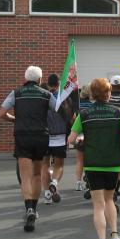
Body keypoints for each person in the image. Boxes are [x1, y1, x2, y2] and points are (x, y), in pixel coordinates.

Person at [67, 78, 120, 239]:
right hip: (113, 162)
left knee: (98, 205)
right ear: (108, 93)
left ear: (92, 94)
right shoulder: (119, 112)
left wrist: (80, 140)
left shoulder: (84, 114)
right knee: (110, 199)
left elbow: (71, 139)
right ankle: (115, 234)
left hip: (93, 163)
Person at [0, 66, 58, 232]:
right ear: (40, 80)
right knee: (37, 175)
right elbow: (57, 109)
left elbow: (1, 113)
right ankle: (34, 207)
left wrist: (14, 119)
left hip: (22, 136)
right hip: (41, 136)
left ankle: (29, 208)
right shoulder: (46, 94)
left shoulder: (16, 93)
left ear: (25, 78)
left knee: (25, 176)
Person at [42, 73, 72, 204]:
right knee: (58, 165)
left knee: (45, 165)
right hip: (60, 136)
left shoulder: (43, 98)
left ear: (48, 84)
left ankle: (47, 195)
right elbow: (71, 118)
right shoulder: (65, 99)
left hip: (45, 135)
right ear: (59, 84)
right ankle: (54, 182)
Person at [74, 84, 93, 192]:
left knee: (79, 161)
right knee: (90, 160)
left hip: (80, 135)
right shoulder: (93, 105)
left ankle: (78, 183)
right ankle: (89, 182)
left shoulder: (78, 105)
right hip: (91, 135)